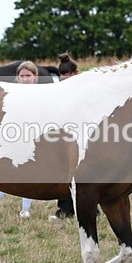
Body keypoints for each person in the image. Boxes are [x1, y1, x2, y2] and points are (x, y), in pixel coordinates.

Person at [0, 61, 38, 219]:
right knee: (3, 174)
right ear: (17, 78)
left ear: (35, 77)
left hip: (31, 139)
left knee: (28, 175)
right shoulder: (11, 94)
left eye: (28, 75)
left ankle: (25, 210)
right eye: (22, 76)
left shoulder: (40, 94)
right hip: (12, 138)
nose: (25, 79)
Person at [49, 52, 80, 221]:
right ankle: (66, 208)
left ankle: (68, 209)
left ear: (76, 73)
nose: (65, 78)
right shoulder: (60, 90)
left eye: (68, 74)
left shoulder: (83, 89)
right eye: (62, 75)